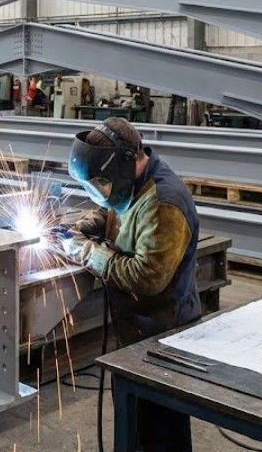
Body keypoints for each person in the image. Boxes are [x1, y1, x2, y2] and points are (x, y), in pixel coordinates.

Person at [58, 116, 200, 452]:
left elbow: (145, 277)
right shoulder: (130, 184)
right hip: (137, 330)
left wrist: (84, 250)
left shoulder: (165, 204)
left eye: (101, 185)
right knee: (134, 426)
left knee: (161, 433)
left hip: (165, 336)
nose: (100, 194)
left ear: (125, 164)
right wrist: (83, 226)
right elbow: (112, 210)